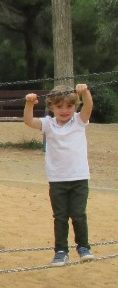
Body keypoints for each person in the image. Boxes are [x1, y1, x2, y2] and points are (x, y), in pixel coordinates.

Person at [23, 84, 95, 266]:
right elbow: (29, 121)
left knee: (78, 214)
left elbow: (88, 107)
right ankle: (61, 251)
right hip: (57, 180)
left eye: (69, 106)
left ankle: (83, 247)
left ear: (75, 107)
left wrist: (84, 92)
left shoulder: (79, 121)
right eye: (59, 106)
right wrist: (29, 104)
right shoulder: (48, 124)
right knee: (60, 216)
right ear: (51, 107)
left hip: (79, 178)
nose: (64, 111)